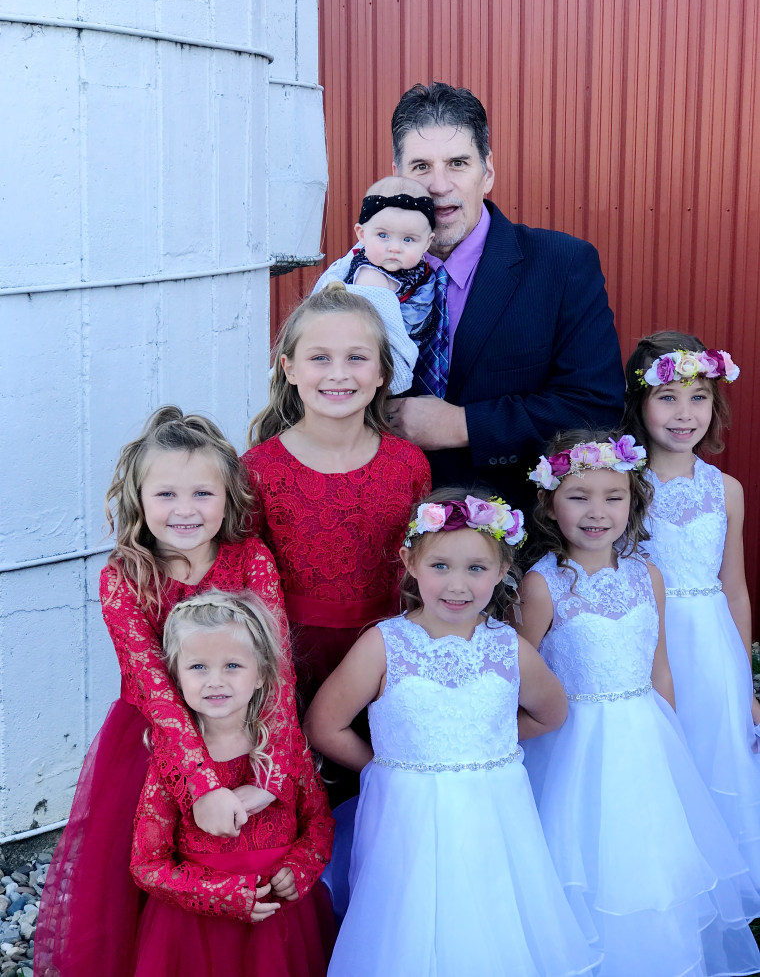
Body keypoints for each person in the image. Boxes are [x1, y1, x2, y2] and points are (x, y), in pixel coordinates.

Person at [35, 407, 305, 977]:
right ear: (138, 497)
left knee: (252, 867)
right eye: (166, 494)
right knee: (158, 873)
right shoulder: (125, 575)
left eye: (203, 493)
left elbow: (277, 673)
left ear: (229, 497)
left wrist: (268, 778)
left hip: (246, 737)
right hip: (157, 747)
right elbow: (154, 689)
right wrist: (202, 787)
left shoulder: (251, 559)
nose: (185, 510)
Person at [304, 488, 601, 977]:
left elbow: (552, 713)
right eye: (440, 566)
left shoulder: (509, 647)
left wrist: (487, 749)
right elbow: (324, 725)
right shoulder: (385, 644)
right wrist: (387, 765)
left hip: (492, 813)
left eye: (476, 569)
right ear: (410, 563)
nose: (457, 585)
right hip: (407, 813)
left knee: (489, 911)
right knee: (408, 916)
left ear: (503, 569)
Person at [519, 431, 760, 976]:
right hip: (572, 742)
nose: (597, 512)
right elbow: (523, 673)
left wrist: (670, 740)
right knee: (580, 852)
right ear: (550, 504)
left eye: (614, 497)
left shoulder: (647, 575)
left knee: (646, 853)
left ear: (635, 501)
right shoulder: (543, 585)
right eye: (578, 497)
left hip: (644, 737)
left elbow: (661, 668)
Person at [385, 81, 625, 509]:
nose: (439, 185)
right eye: (421, 166)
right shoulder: (362, 275)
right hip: (381, 531)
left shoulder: (562, 265)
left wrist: (463, 425)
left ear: (488, 172)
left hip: (513, 541)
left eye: (458, 163)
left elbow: (596, 407)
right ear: (398, 175)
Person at [243, 283, 430, 803]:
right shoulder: (259, 470)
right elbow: (245, 580)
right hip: (293, 657)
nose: (339, 373)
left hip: (386, 653)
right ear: (290, 368)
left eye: (356, 358)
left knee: (381, 789)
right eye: (320, 358)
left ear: (382, 373)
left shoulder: (407, 463)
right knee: (303, 798)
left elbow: (418, 567)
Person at [130, 591, 335, 977]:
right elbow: (147, 864)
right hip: (198, 932)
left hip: (283, 922)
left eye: (232, 665)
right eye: (198, 668)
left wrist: (302, 866)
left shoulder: (285, 753)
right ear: (175, 676)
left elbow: (319, 822)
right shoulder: (172, 763)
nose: (215, 681)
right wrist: (219, 896)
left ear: (261, 674)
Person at [621, 331, 760, 884]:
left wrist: (745, 680)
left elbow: (735, 586)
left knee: (710, 743)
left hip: (709, 643)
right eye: (668, 397)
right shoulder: (621, 484)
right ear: (639, 402)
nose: (685, 414)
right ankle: (662, 872)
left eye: (698, 397)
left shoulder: (726, 489)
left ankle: (720, 874)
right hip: (645, 636)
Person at [313, 176, 436, 394]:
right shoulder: (372, 278)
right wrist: (396, 375)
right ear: (362, 235)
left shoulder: (414, 267)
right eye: (383, 236)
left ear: (427, 242)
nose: (395, 248)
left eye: (408, 239)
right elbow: (375, 333)